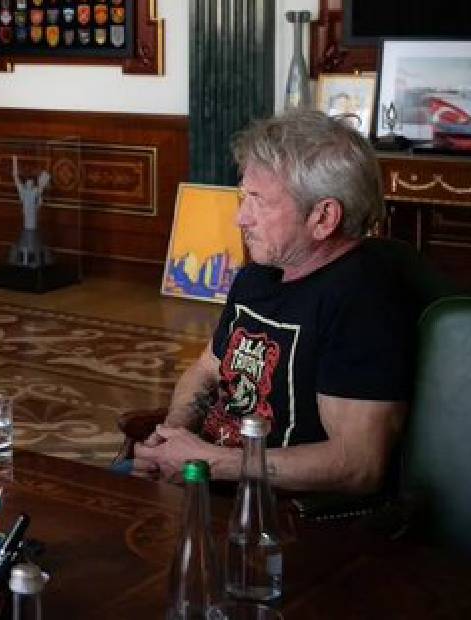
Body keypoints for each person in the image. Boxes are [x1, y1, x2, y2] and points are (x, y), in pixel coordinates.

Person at [133, 110, 413, 495]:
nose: (240, 218)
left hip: (276, 514)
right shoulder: (258, 275)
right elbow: (205, 370)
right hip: (206, 479)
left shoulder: (362, 300)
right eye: (243, 196)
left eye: (259, 202)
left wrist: (210, 462)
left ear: (324, 217)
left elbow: (358, 465)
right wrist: (172, 437)